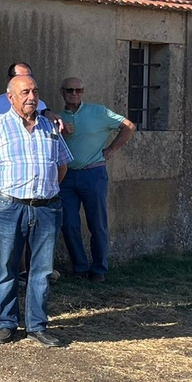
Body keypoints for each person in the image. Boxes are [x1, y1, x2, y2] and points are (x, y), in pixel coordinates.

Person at [0, 74, 73, 347]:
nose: (32, 97)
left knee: (41, 269)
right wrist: (1, 195)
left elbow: (62, 166)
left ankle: (37, 326)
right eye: (25, 92)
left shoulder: (49, 127)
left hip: (46, 207)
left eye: (35, 91)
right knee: (6, 266)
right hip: (8, 206)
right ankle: (7, 324)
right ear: (11, 98)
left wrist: (46, 189)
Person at [58, 77, 135, 282]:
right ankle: (80, 267)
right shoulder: (57, 118)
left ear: (83, 92)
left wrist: (111, 150)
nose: (74, 93)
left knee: (97, 223)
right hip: (66, 176)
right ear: (62, 92)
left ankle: (99, 269)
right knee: (69, 224)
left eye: (78, 90)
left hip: (93, 174)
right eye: (70, 90)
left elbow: (128, 126)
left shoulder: (99, 112)